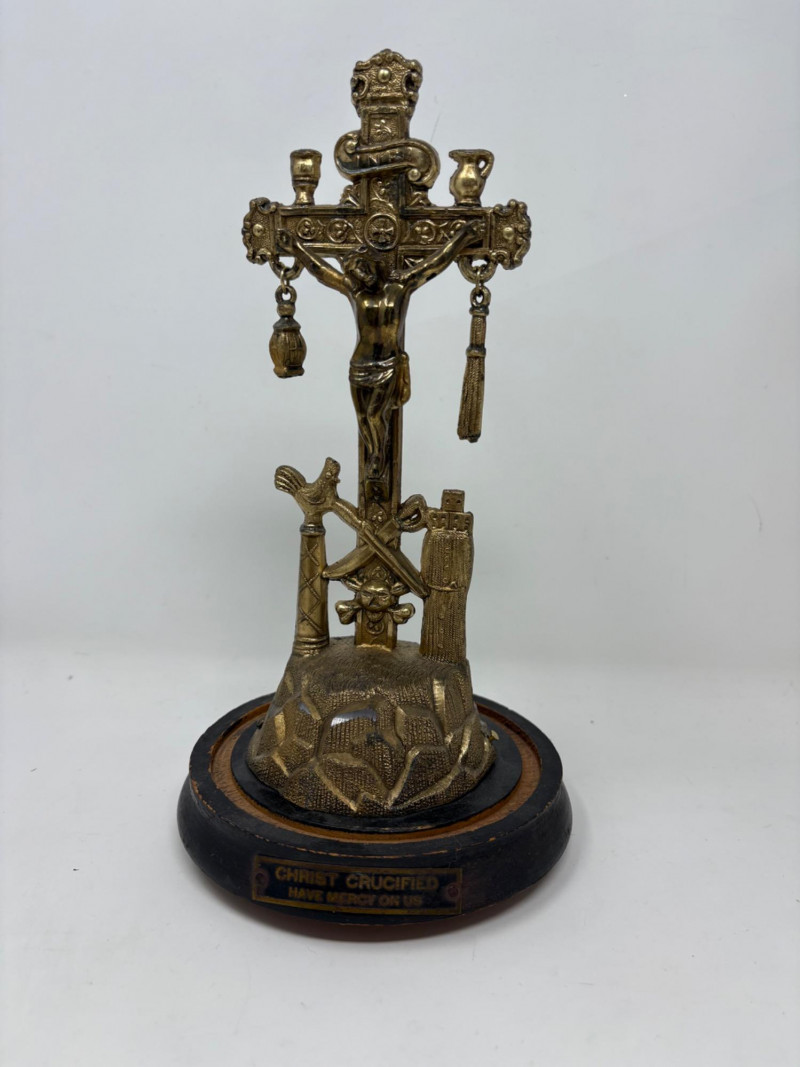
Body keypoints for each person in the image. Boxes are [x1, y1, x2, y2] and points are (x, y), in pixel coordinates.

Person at [277, 219, 482, 482]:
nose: (363, 275)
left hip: (387, 364)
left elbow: (434, 264)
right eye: (356, 272)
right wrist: (296, 248)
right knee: (362, 417)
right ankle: (375, 457)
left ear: (373, 263)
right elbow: (321, 271)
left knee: (375, 415)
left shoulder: (400, 287)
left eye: (364, 267)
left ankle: (378, 457)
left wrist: (461, 238)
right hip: (359, 365)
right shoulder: (355, 292)